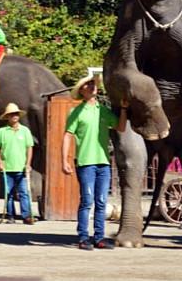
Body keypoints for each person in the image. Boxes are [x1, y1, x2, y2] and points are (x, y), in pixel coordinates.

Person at [62, 74, 127, 250]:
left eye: (93, 84)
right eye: (88, 85)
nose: (92, 86)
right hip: (85, 163)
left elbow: (120, 127)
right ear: (82, 91)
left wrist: (123, 110)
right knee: (87, 200)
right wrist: (65, 160)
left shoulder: (103, 110)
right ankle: (83, 237)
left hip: (103, 162)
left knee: (101, 201)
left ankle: (99, 238)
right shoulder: (76, 112)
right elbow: (68, 135)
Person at [0, 102, 35, 225]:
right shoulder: (1, 131)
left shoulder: (25, 131)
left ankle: (26, 216)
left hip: (21, 168)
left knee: (24, 193)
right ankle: (10, 215)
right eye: (11, 114)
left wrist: (28, 164)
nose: (14, 116)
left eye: (16, 114)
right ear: (7, 117)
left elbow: (29, 147)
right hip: (7, 167)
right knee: (8, 194)